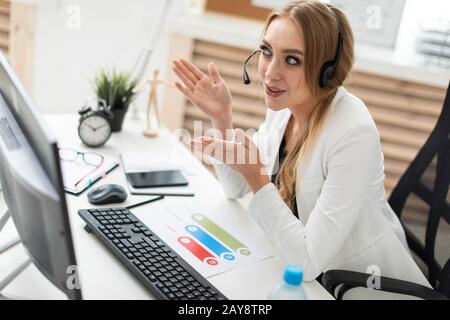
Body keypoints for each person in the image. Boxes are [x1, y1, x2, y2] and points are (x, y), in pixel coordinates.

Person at [172, 1, 430, 299]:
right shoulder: (285, 107)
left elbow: (308, 260)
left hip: (356, 287)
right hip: (304, 275)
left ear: (328, 71)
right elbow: (234, 187)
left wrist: (258, 178)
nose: (270, 72)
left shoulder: (353, 133)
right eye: (267, 51)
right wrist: (221, 117)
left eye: (292, 60)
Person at [133, 69, 174, 137]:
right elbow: (142, 84)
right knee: (148, 109)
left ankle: (158, 124)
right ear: (153, 72)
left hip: (155, 94)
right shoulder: (150, 79)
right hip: (151, 94)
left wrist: (174, 86)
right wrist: (137, 89)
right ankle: (148, 125)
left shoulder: (158, 80)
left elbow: (166, 83)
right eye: (155, 72)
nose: (156, 74)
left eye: (157, 73)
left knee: (156, 109)